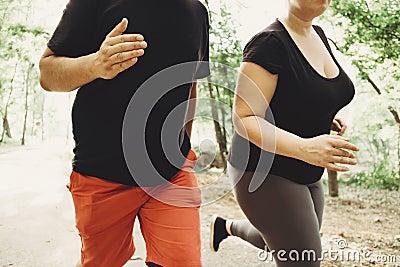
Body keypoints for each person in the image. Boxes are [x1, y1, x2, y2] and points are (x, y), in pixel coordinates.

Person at [39, 0, 210, 266]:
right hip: (102, 173)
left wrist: (183, 147)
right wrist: (96, 64)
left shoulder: (196, 10)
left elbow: (190, 84)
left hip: (170, 174)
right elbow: (47, 74)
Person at [210, 0, 359, 266]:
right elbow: (244, 118)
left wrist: (321, 112)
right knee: (304, 258)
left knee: (285, 242)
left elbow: (298, 91)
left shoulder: (319, 35)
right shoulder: (268, 44)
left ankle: (226, 226)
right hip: (264, 171)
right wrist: (304, 147)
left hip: (308, 168)